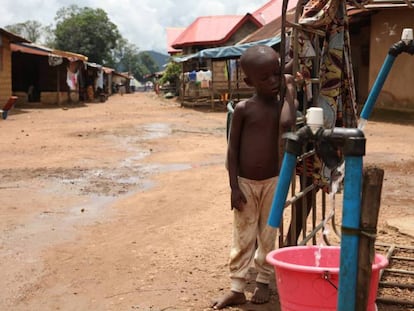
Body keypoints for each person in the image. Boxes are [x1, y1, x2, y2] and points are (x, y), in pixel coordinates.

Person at [211, 45, 298, 309]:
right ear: (249, 81)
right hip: (246, 184)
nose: (272, 82)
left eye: (276, 75)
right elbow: (232, 150)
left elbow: (286, 123)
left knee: (268, 233)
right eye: (265, 78)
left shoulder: (281, 106)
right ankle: (237, 286)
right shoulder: (243, 109)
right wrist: (233, 187)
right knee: (244, 234)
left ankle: (262, 280)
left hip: (273, 181)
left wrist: (290, 90)